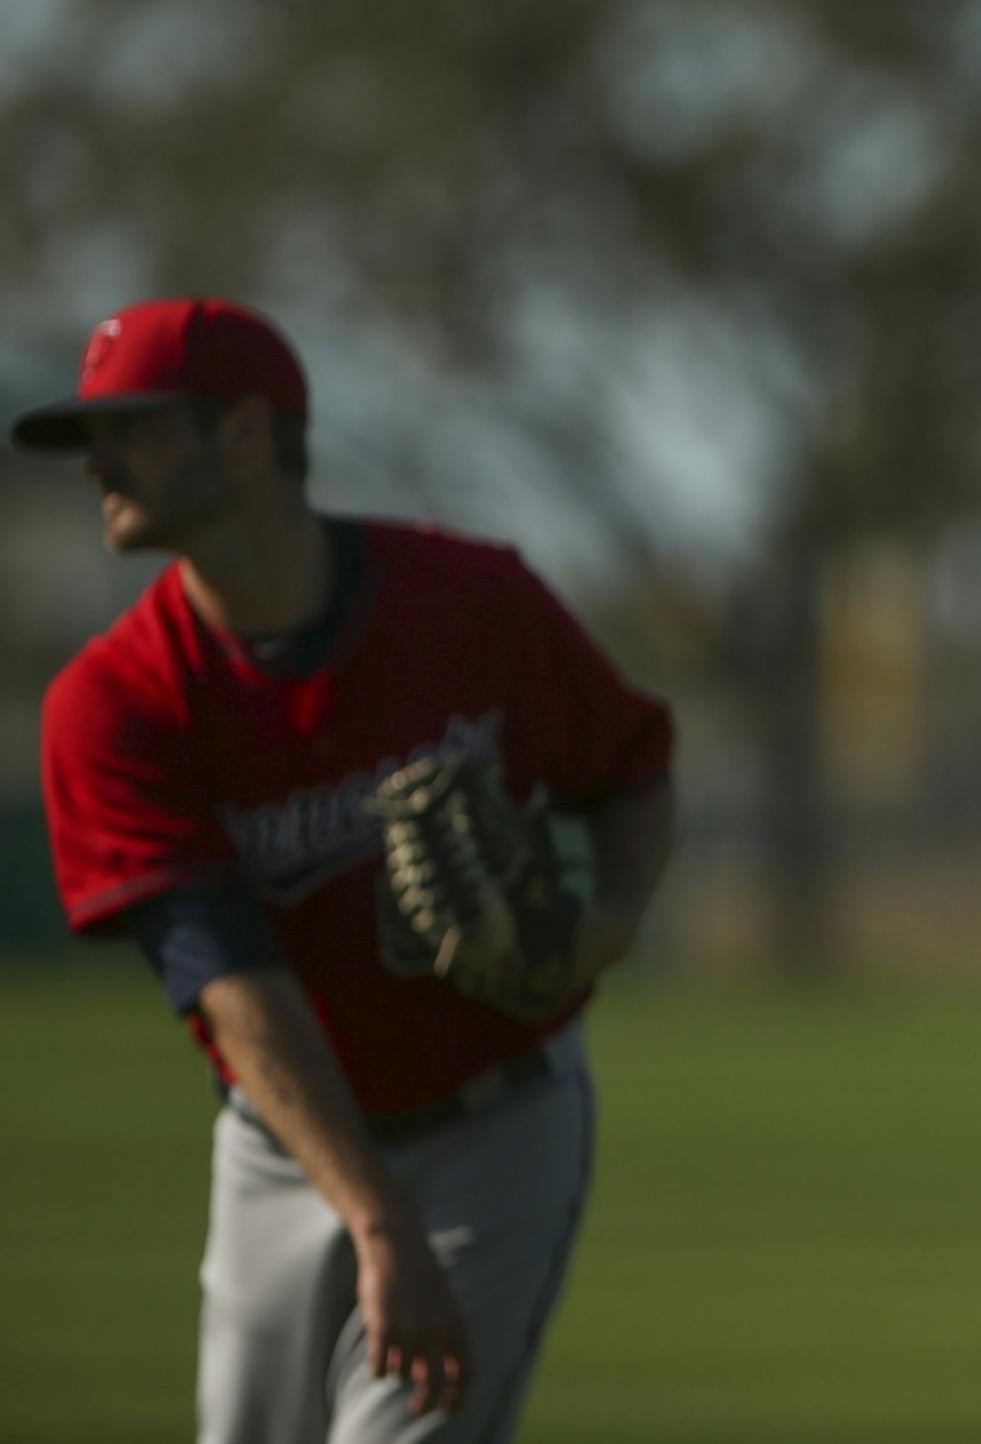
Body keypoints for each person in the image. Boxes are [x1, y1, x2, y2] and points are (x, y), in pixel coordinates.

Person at [13, 296, 678, 1442]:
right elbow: (233, 985)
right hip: (280, 1149)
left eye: (131, 426)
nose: (97, 463)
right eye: (89, 436)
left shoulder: (471, 602)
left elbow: (634, 769)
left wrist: (607, 922)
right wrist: (377, 1220)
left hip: (494, 1128)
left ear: (248, 433)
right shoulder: (111, 703)